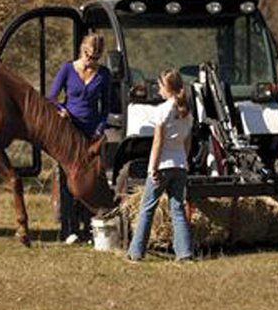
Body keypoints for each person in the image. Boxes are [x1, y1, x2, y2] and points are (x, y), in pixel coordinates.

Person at [47, 32, 112, 243]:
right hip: (68, 132)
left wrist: (100, 129)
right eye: (88, 55)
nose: (90, 61)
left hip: (91, 134)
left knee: (90, 180)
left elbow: (107, 107)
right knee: (67, 179)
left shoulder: (104, 75)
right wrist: (62, 109)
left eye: (95, 57)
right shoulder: (67, 69)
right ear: (82, 49)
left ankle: (90, 228)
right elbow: (51, 98)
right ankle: (69, 229)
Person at [127, 69, 194, 262]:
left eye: (160, 85)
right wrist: (184, 161)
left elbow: (157, 143)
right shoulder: (187, 113)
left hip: (162, 165)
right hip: (180, 166)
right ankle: (184, 252)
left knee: (147, 208)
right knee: (178, 209)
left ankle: (136, 252)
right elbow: (187, 143)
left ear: (168, 88)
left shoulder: (161, 111)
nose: (158, 89)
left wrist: (152, 169)